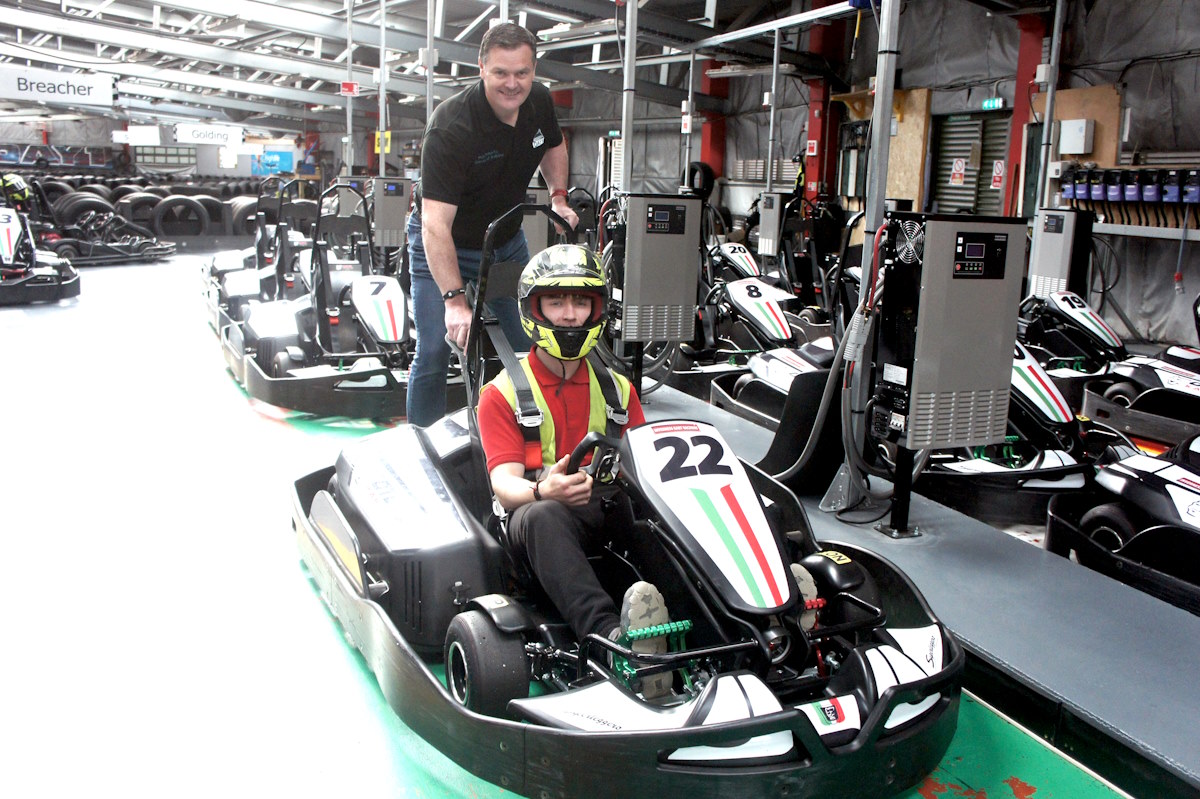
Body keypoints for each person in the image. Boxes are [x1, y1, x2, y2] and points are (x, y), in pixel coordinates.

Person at [477, 244, 672, 699]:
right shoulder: (502, 393)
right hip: (533, 522)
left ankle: (716, 616)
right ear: (534, 309)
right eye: (557, 301)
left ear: (596, 309)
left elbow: (649, 467)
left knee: (653, 512)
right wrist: (545, 490)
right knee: (543, 517)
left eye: (581, 302)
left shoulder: (619, 389)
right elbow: (504, 486)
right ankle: (614, 642)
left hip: (603, 510)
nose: (570, 315)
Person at [407, 22, 579, 427]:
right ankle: (419, 444)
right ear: (481, 67)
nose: (512, 84)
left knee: (532, 343)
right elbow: (434, 226)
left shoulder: (538, 101)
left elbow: (553, 144)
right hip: (446, 243)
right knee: (434, 350)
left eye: (522, 72)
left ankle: (534, 432)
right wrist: (453, 300)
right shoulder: (453, 127)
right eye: (501, 72)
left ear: (534, 71)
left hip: (505, 242)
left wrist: (558, 196)